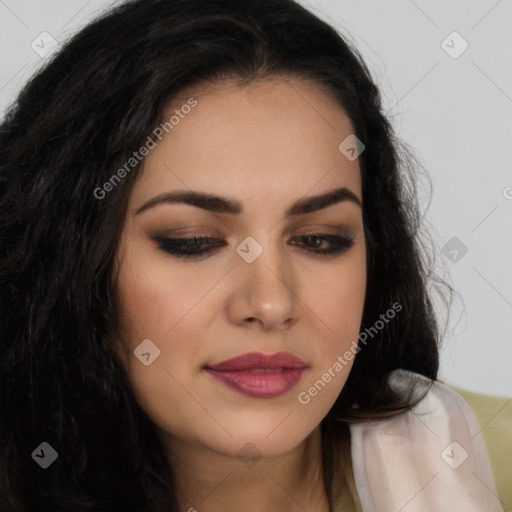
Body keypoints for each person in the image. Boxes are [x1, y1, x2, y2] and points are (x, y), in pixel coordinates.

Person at [0, 0, 504, 510]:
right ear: (69, 261)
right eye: (192, 241)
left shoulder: (485, 465)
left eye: (320, 239)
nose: (270, 303)